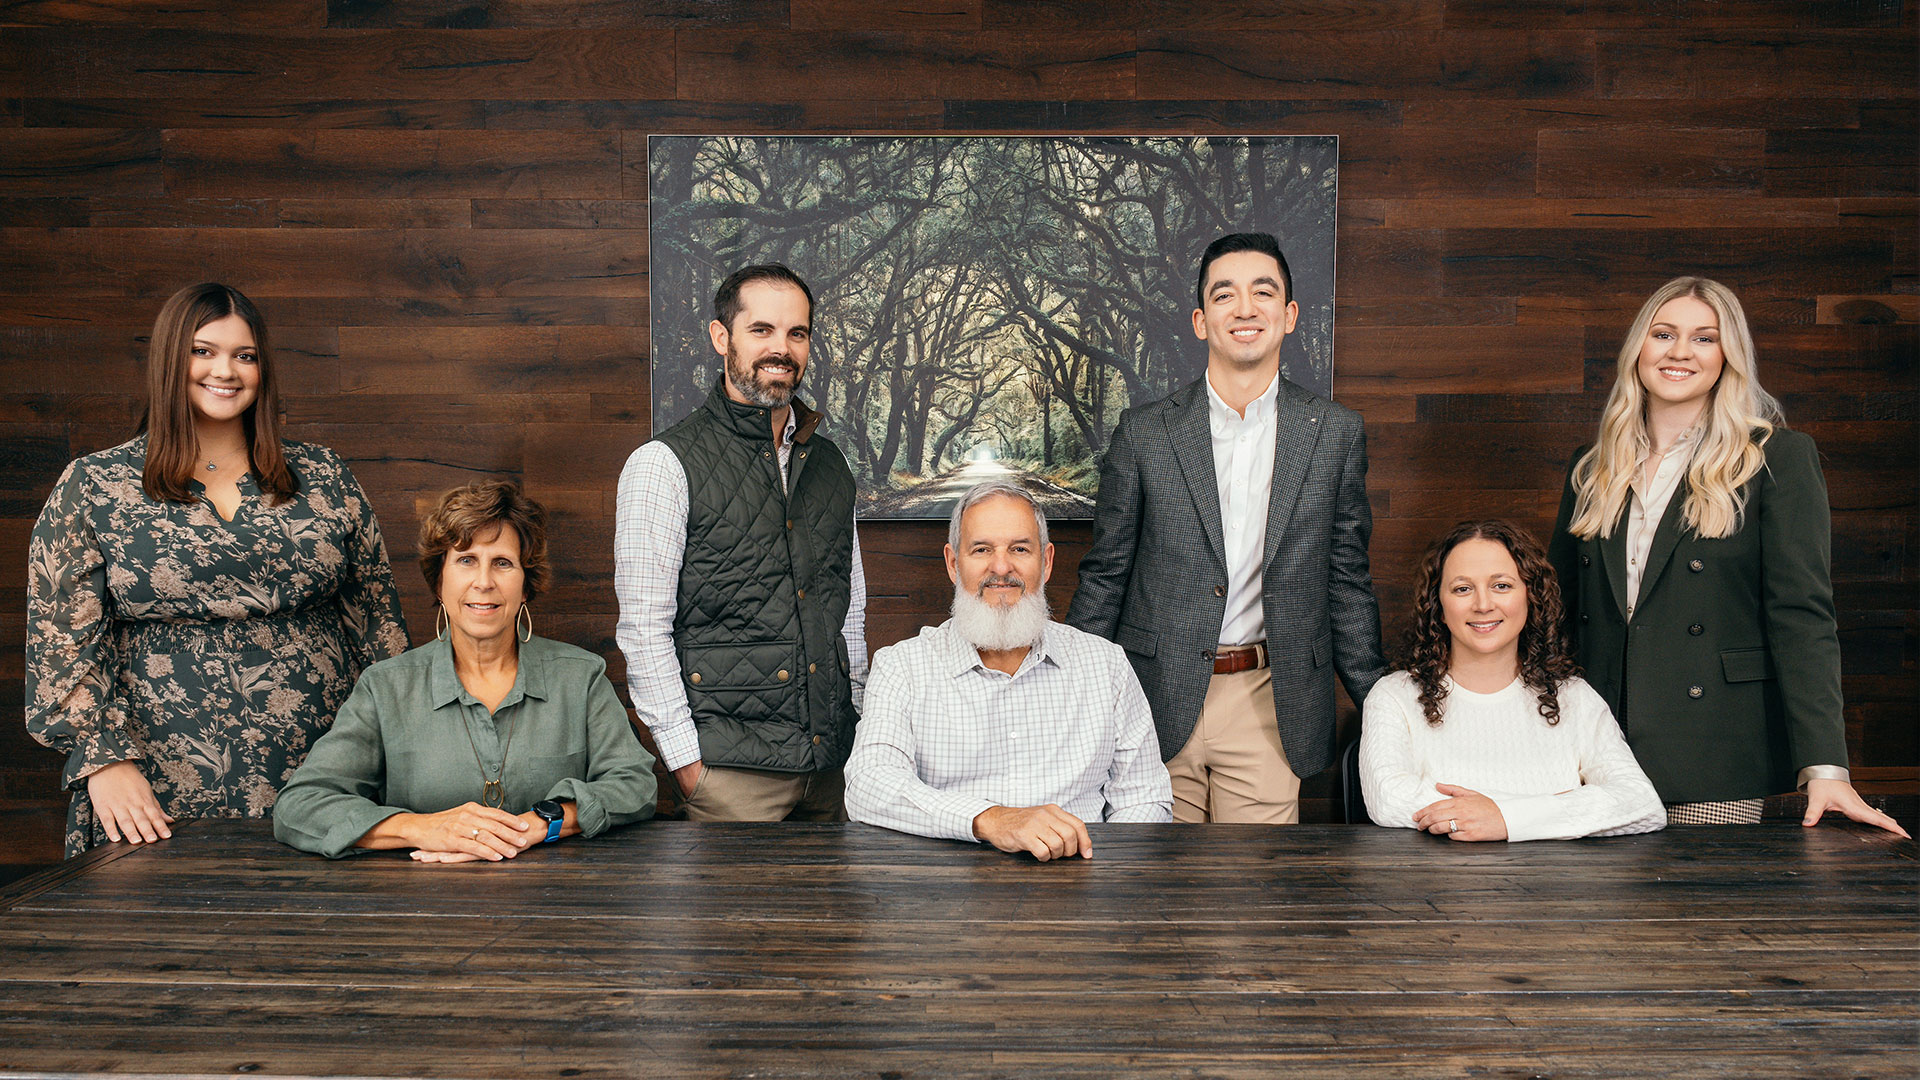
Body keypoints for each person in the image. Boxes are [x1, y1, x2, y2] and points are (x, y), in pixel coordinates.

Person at [25, 282, 409, 858]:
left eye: (244, 355)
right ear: (169, 361)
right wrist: (104, 759)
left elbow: (380, 630)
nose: (224, 370)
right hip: (153, 779)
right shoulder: (97, 485)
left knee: (327, 935)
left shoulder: (324, 476)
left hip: (325, 769)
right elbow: (60, 643)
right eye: (202, 351)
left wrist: (402, 752)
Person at [1548, 277, 1906, 836]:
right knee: (1596, 920)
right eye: (1663, 334)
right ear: (1638, 348)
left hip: (1713, 750)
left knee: (1702, 915)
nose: (1680, 352)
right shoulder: (1592, 467)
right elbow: (1556, 614)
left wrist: (1826, 766)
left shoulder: (1776, 459)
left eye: (1704, 338)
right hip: (1593, 750)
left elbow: (1802, 616)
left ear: (1728, 356)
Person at [1068, 232, 1386, 824]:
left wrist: (1384, 701)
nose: (1245, 309)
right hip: (1152, 694)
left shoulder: (1334, 434)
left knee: (1251, 904)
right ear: (1200, 319)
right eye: (1224, 295)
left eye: (1263, 293)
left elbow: (1346, 578)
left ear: (1288, 315)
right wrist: (1066, 687)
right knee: (1156, 895)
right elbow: (1106, 573)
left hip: (1272, 697)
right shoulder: (1145, 433)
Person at [275, 481, 657, 860]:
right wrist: (424, 828)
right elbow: (300, 806)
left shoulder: (580, 677)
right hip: (416, 904)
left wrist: (540, 824)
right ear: (439, 582)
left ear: (526, 586)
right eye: (466, 560)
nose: (484, 582)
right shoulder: (385, 687)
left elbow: (635, 785)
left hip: (556, 900)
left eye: (503, 563)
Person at [615, 264, 867, 822]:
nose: (781, 348)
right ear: (721, 337)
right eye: (762, 330)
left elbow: (849, 613)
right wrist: (688, 766)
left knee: (836, 912)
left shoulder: (830, 465)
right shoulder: (662, 465)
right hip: (729, 776)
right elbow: (643, 630)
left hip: (835, 771)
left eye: (796, 333)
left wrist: (858, 723)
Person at [846, 482, 1172, 860]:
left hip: (1081, 888)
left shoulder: (1107, 665)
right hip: (945, 895)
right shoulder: (902, 667)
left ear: (1046, 562)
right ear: (954, 564)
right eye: (982, 549)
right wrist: (991, 820)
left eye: (1019, 549)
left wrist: (1100, 879)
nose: (1001, 568)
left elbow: (1144, 798)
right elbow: (867, 787)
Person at [1360, 521, 1665, 841]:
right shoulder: (1394, 696)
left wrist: (1505, 818)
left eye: (1501, 586)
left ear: (1530, 595)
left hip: (1554, 887)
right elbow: (1388, 800)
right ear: (1439, 604)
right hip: (1434, 887)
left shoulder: (1573, 697)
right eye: (1462, 588)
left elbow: (1641, 803)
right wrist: (1554, 807)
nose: (1482, 604)